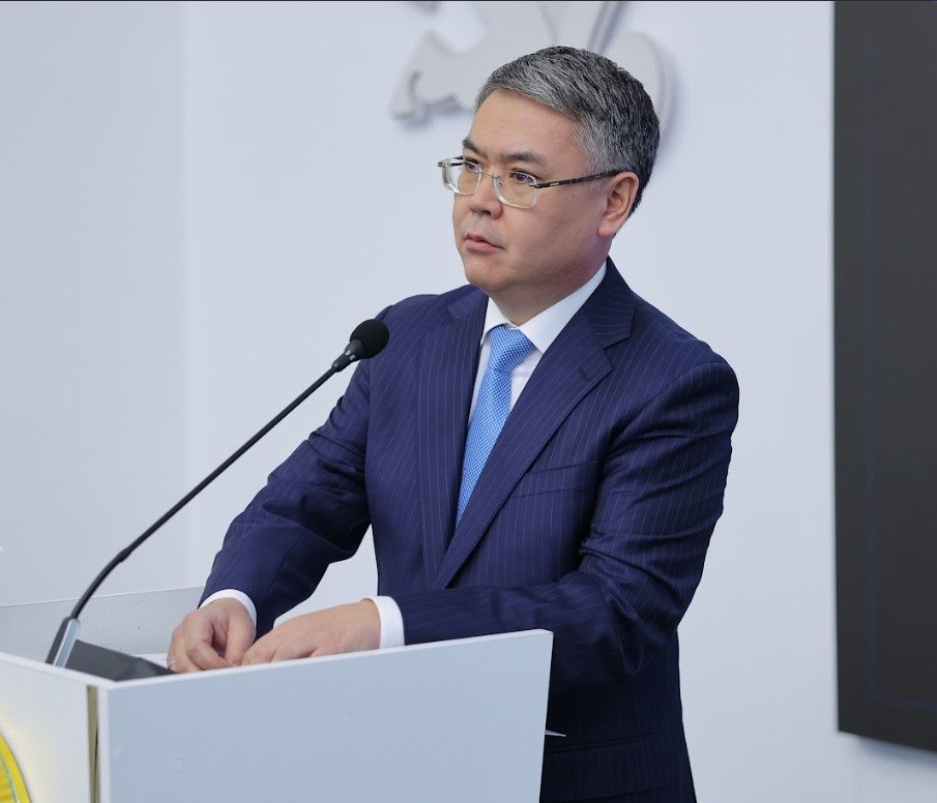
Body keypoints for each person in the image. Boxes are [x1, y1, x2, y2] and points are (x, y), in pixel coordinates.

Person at [167, 45, 738, 803]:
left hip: (568, 779)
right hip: (402, 767)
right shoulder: (406, 339)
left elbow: (615, 612)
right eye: (470, 167)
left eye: (521, 178)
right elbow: (302, 505)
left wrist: (384, 624)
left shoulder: (673, 381)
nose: (479, 201)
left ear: (614, 202)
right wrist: (232, 600)